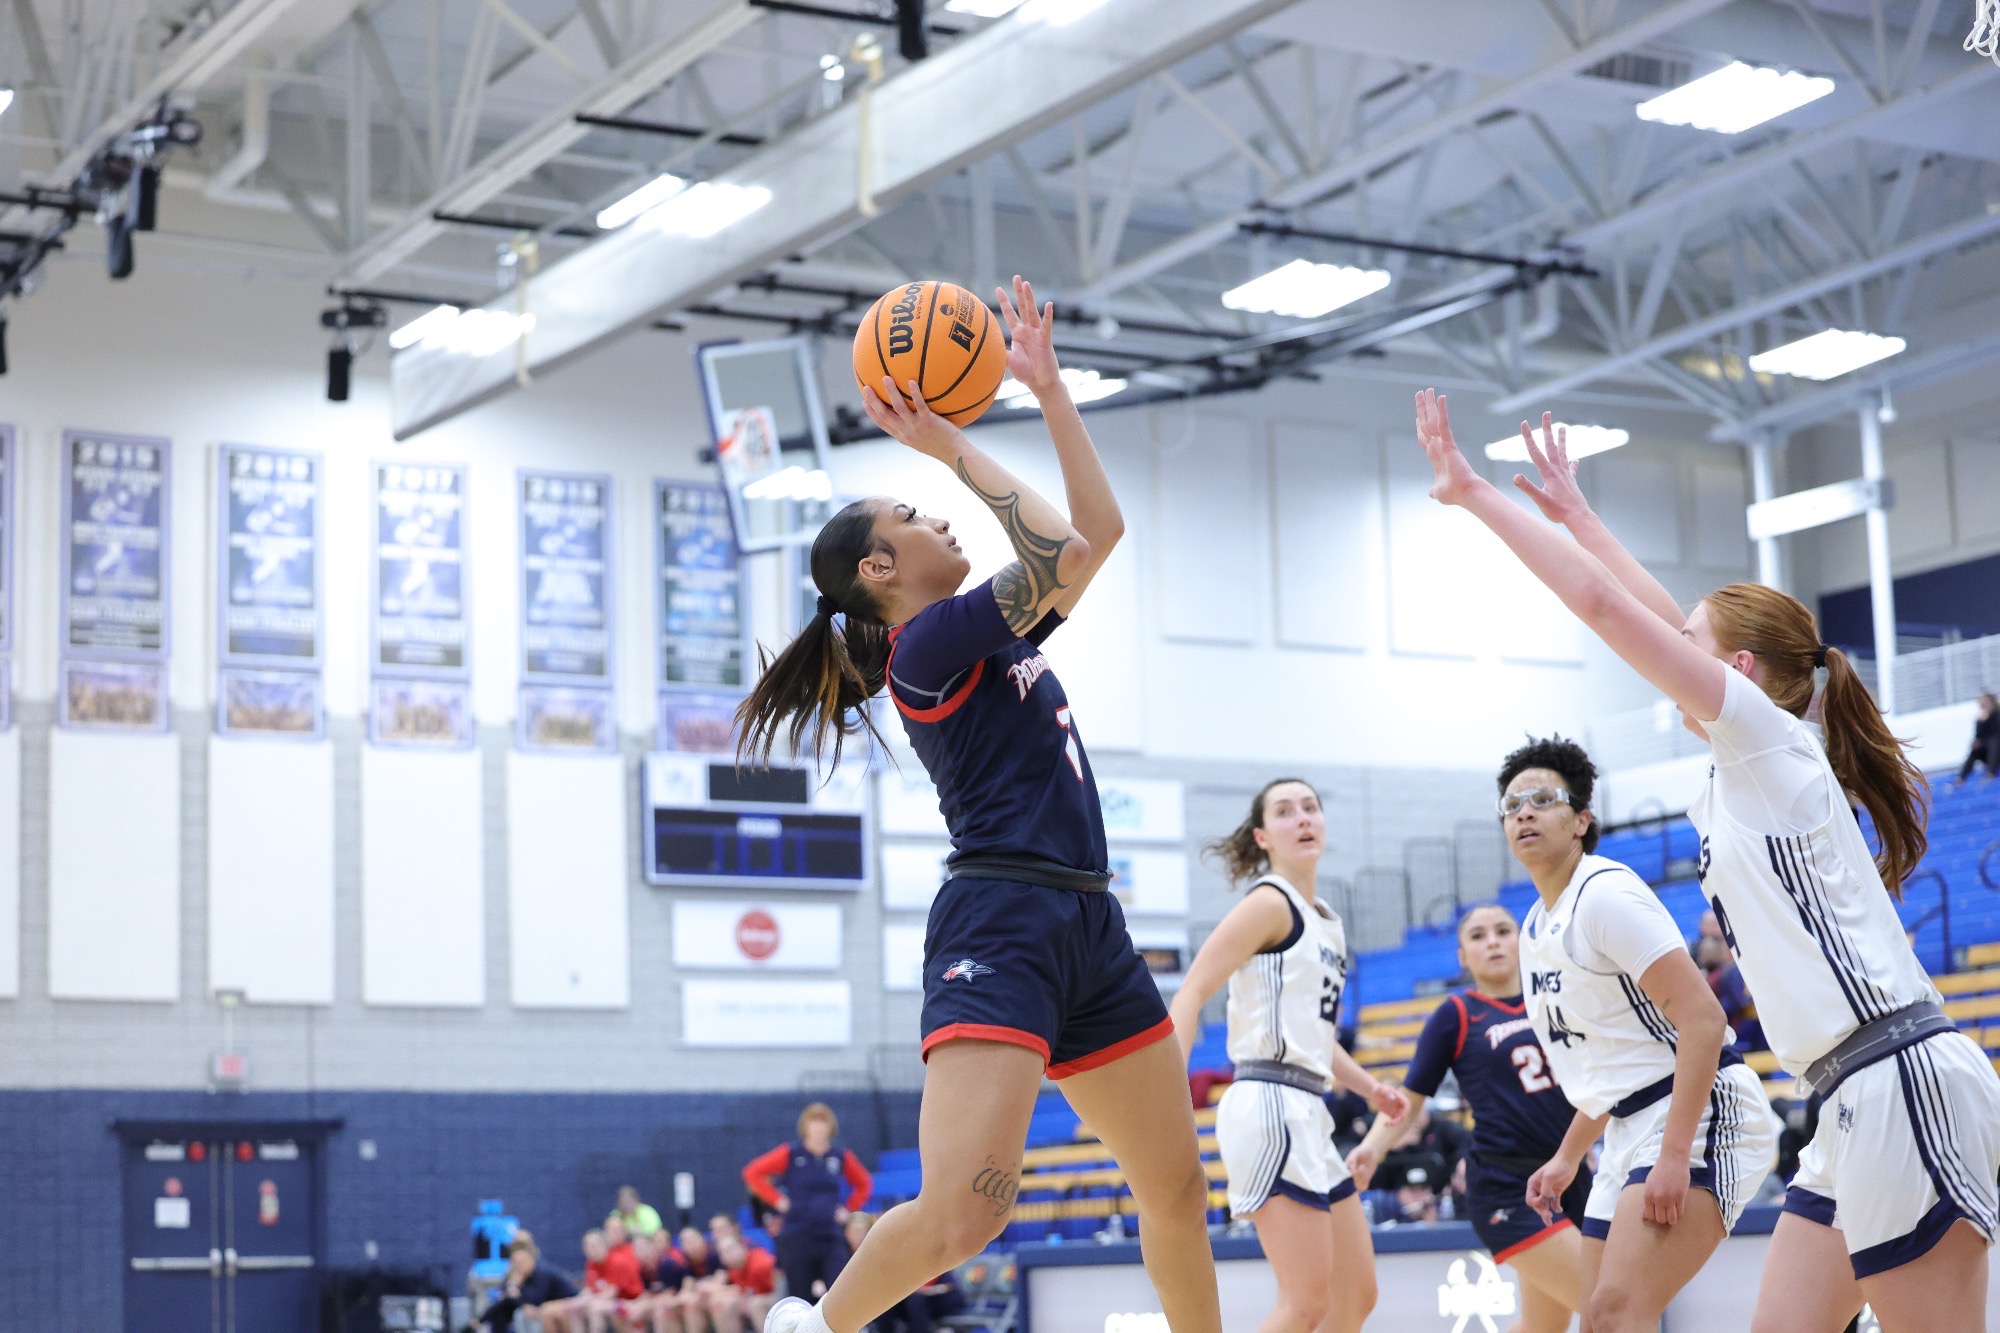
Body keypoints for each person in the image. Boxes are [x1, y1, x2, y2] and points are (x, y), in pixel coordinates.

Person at [1413, 393, 2000, 1331]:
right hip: (1846, 1095)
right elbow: (1649, 611)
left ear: (1740, 669)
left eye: (1689, 645)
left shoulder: (1768, 746)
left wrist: (1476, 492)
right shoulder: (1753, 755)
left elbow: (1609, 610)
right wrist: (1580, 514)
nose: (1668, 653)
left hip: (1898, 1075)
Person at [739, 277, 1219, 1333]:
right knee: (964, 1217)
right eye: (911, 515)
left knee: (1177, 1188)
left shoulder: (986, 633)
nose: (936, 513)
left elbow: (1093, 531)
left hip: (1087, 921)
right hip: (1001, 924)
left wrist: (1047, 391)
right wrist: (949, 443)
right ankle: (812, 1327)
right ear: (879, 568)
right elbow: (1056, 551)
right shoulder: (927, 644)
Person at [1495, 732, 1777, 1331]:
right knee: (1601, 1317)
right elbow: (1611, 1066)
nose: (1524, 812)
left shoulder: (1606, 895)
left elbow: (1704, 1020)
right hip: (1627, 1126)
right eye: (1512, 805)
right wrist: (1568, 1157)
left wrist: (1675, 1154)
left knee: (1617, 1310)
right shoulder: (1534, 927)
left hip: (1699, 1113)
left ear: (1581, 820)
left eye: (1543, 799)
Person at [1166, 778, 1408, 1333]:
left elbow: (1316, 1037)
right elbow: (1192, 991)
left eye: (1311, 807)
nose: (1302, 818)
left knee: (1356, 1298)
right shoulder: (1269, 902)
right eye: (1285, 811)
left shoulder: (1325, 920)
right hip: (1269, 1101)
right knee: (1304, 1303)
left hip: (1308, 1105)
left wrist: (1370, 1089)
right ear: (1263, 835)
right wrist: (1170, 1097)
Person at [1347, 902, 1591, 1333]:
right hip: (1508, 1188)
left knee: (1544, 1327)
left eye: (1503, 930)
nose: (1493, 941)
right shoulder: (1457, 1015)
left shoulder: (1557, 999)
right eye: (1478, 936)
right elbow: (1409, 1101)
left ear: (1522, 941)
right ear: (1462, 956)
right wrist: (1370, 1148)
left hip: (1572, 1177)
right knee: (1608, 1307)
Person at [743, 1104, 872, 1301]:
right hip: (798, 1234)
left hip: (829, 1234)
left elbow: (864, 1184)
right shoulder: (791, 1153)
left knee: (841, 1293)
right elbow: (752, 1173)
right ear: (805, 1127)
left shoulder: (839, 1156)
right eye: (814, 1123)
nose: (819, 1128)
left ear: (831, 1127)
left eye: (823, 1123)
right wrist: (777, 1199)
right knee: (800, 1296)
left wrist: (849, 1209)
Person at [480, 1235, 578, 1333]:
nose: (520, 1265)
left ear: (530, 1258)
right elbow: (505, 1294)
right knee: (502, 1312)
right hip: (545, 1305)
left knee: (544, 1311)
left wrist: (518, 1295)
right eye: (517, 1263)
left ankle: (476, 1323)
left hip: (569, 1300)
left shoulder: (541, 1272)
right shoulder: (517, 1273)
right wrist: (514, 1287)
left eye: (522, 1262)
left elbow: (537, 1300)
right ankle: (477, 1323)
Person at [708, 1232, 779, 1333]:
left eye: (731, 1249)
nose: (729, 1255)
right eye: (723, 1252)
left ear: (743, 1246)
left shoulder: (761, 1263)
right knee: (729, 1303)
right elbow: (745, 1290)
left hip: (781, 1297)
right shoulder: (734, 1271)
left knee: (756, 1304)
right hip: (758, 1299)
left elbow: (781, 1288)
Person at [1959, 691, 1999, 783]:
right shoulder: (1981, 719)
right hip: (1988, 751)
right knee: (1975, 750)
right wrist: (1981, 723)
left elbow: (1996, 734)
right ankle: (1961, 779)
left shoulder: (1997, 715)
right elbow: (1979, 737)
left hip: (1996, 748)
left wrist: (1983, 742)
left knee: (1994, 742)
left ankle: (1991, 774)